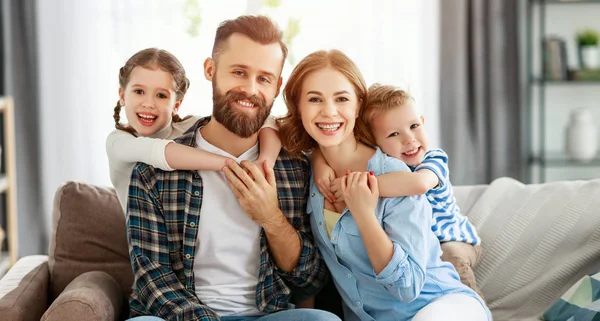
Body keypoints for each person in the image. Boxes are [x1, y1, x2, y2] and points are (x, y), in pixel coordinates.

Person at [125, 15, 339, 321]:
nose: (250, 89)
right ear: (210, 70)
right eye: (239, 72)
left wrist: (272, 219)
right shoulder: (154, 169)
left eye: (264, 78)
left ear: (277, 86)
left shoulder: (294, 169)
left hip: (265, 315)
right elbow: (151, 279)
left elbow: (310, 280)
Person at [278, 49, 491, 321]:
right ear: (298, 106)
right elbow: (269, 128)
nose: (329, 111)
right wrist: (318, 160)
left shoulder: (395, 174)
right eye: (314, 99)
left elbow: (408, 287)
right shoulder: (306, 170)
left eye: (341, 98)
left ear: (358, 104)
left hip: (439, 306)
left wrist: (365, 215)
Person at [312, 84, 484, 298]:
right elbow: (318, 149)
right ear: (373, 143)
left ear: (422, 121)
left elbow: (419, 184)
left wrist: (360, 185)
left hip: (453, 239)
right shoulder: (384, 164)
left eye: (413, 126)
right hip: (417, 249)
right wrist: (320, 163)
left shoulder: (434, 159)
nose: (409, 139)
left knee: (452, 258)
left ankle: (475, 304)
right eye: (393, 134)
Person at [105, 47, 282, 215]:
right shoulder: (118, 142)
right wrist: (231, 165)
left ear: (176, 105)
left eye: (161, 95)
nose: (149, 103)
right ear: (122, 96)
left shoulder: (190, 127)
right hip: (146, 236)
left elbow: (269, 120)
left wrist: (265, 162)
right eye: (139, 91)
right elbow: (159, 151)